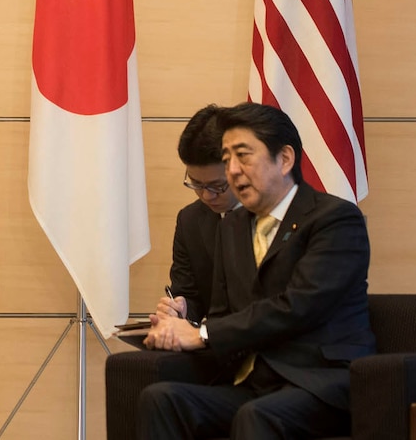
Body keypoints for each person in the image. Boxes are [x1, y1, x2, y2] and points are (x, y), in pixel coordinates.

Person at [138, 102, 375, 440]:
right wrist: (179, 330)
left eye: (243, 156)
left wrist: (203, 335)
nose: (233, 170)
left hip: (319, 380)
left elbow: (298, 307)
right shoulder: (232, 226)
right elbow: (221, 312)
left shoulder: (334, 219)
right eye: (227, 159)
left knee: (257, 416)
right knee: (162, 399)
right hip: (254, 382)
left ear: (285, 159)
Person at [157, 104, 241, 324]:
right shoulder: (190, 220)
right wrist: (181, 311)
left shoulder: (278, 217)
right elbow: (190, 295)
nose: (206, 196)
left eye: (217, 186)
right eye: (196, 183)